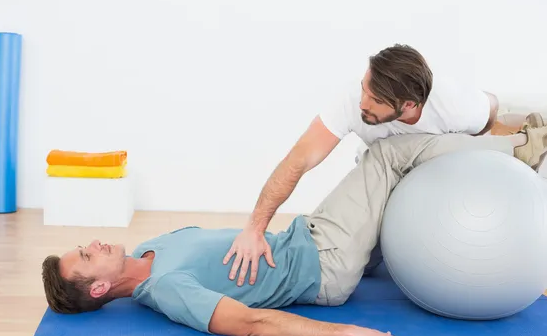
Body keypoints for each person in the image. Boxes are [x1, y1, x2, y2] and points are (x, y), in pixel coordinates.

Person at [41, 124, 547, 336]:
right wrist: (351, 333)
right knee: (387, 157)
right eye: (86, 256)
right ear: (101, 288)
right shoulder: (168, 290)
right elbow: (254, 325)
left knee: (383, 180)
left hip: (308, 236)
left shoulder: (152, 247)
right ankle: (519, 148)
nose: (93, 243)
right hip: (325, 262)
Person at [222, 43, 546, 286]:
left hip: (442, 168)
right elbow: (298, 160)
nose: (363, 103)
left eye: (375, 100)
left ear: (408, 105)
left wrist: (515, 148)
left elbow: (488, 121)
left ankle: (530, 138)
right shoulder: (351, 102)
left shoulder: (455, 104)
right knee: (362, 265)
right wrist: (255, 228)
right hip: (395, 177)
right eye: (365, 88)